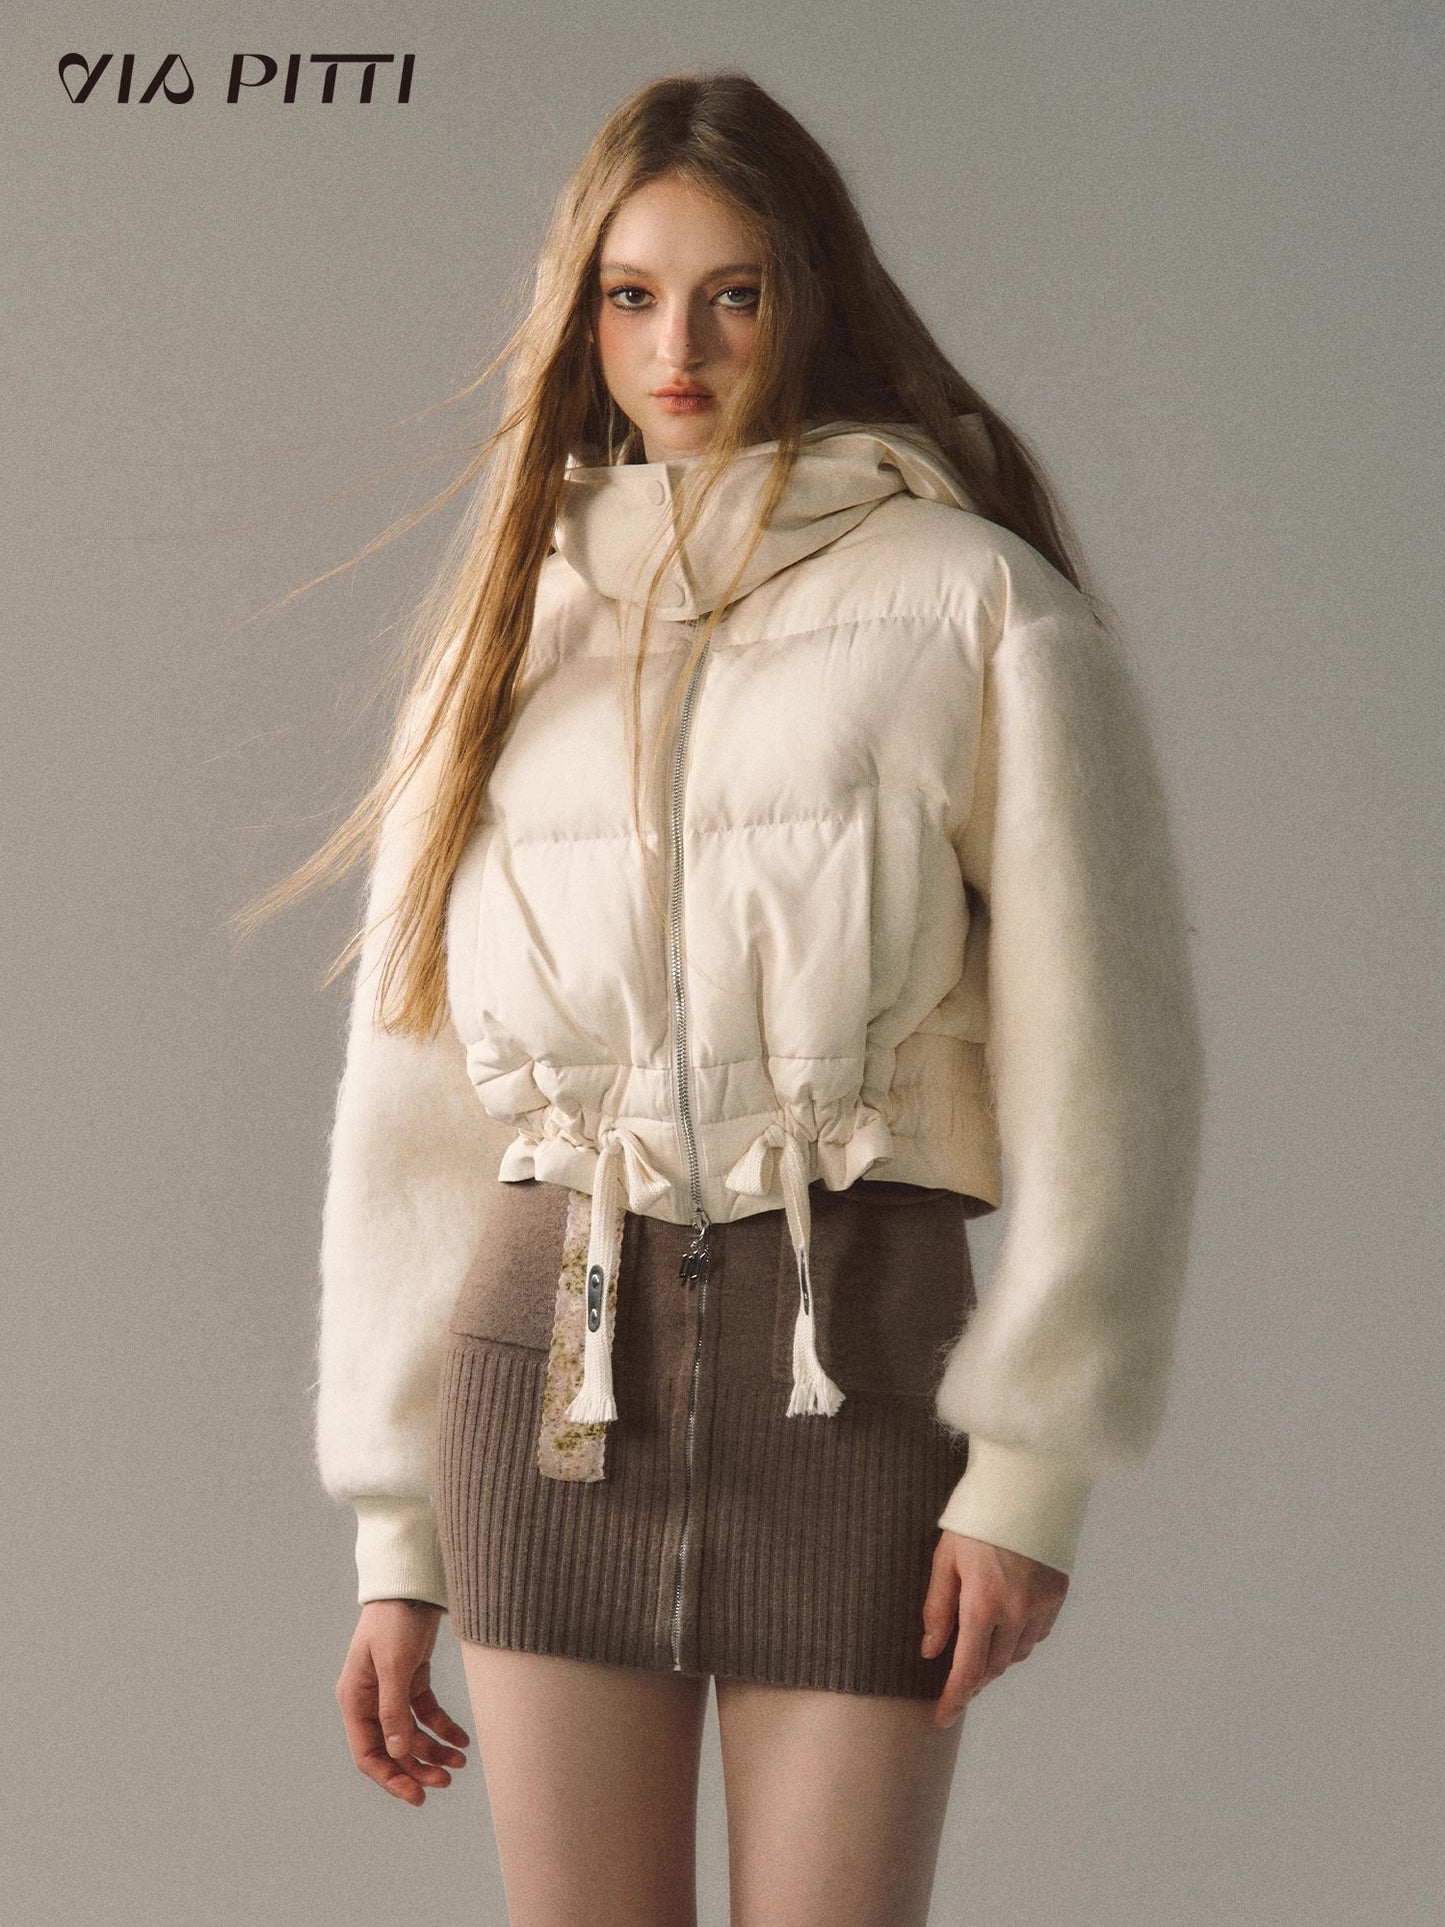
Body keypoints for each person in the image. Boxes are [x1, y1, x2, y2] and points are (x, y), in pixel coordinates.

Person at [252, 68, 1204, 1927]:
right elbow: (413, 1105)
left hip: (855, 1366)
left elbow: (1115, 1077)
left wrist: (1030, 1471)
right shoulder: (508, 625)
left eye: (730, 293)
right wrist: (396, 1529)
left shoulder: (973, 605)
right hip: (549, 1382)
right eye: (630, 296)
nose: (674, 348)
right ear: (580, 316)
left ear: (808, 298)